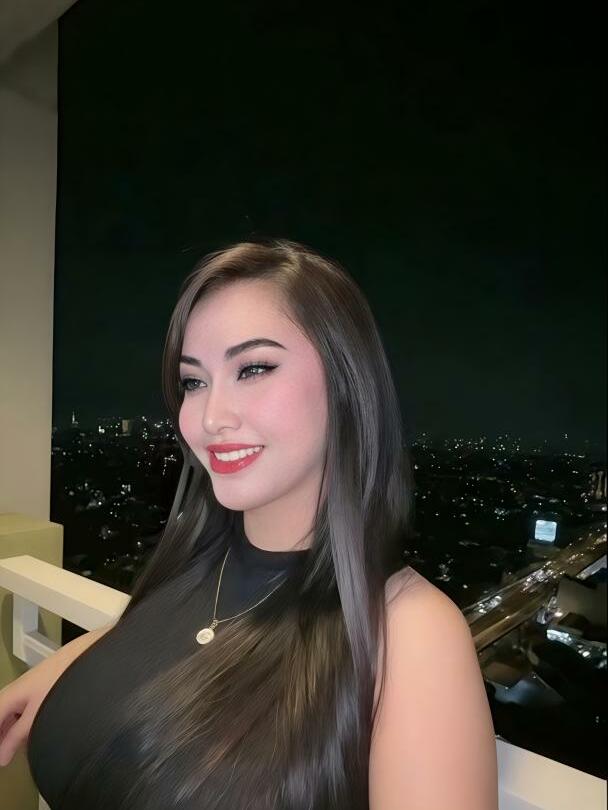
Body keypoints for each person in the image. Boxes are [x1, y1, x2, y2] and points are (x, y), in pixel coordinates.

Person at [0, 238, 498, 809]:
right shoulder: (192, 564)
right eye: (194, 381)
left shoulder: (409, 631)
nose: (210, 417)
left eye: (254, 368)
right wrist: (78, 670)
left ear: (347, 381)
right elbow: (187, 638)